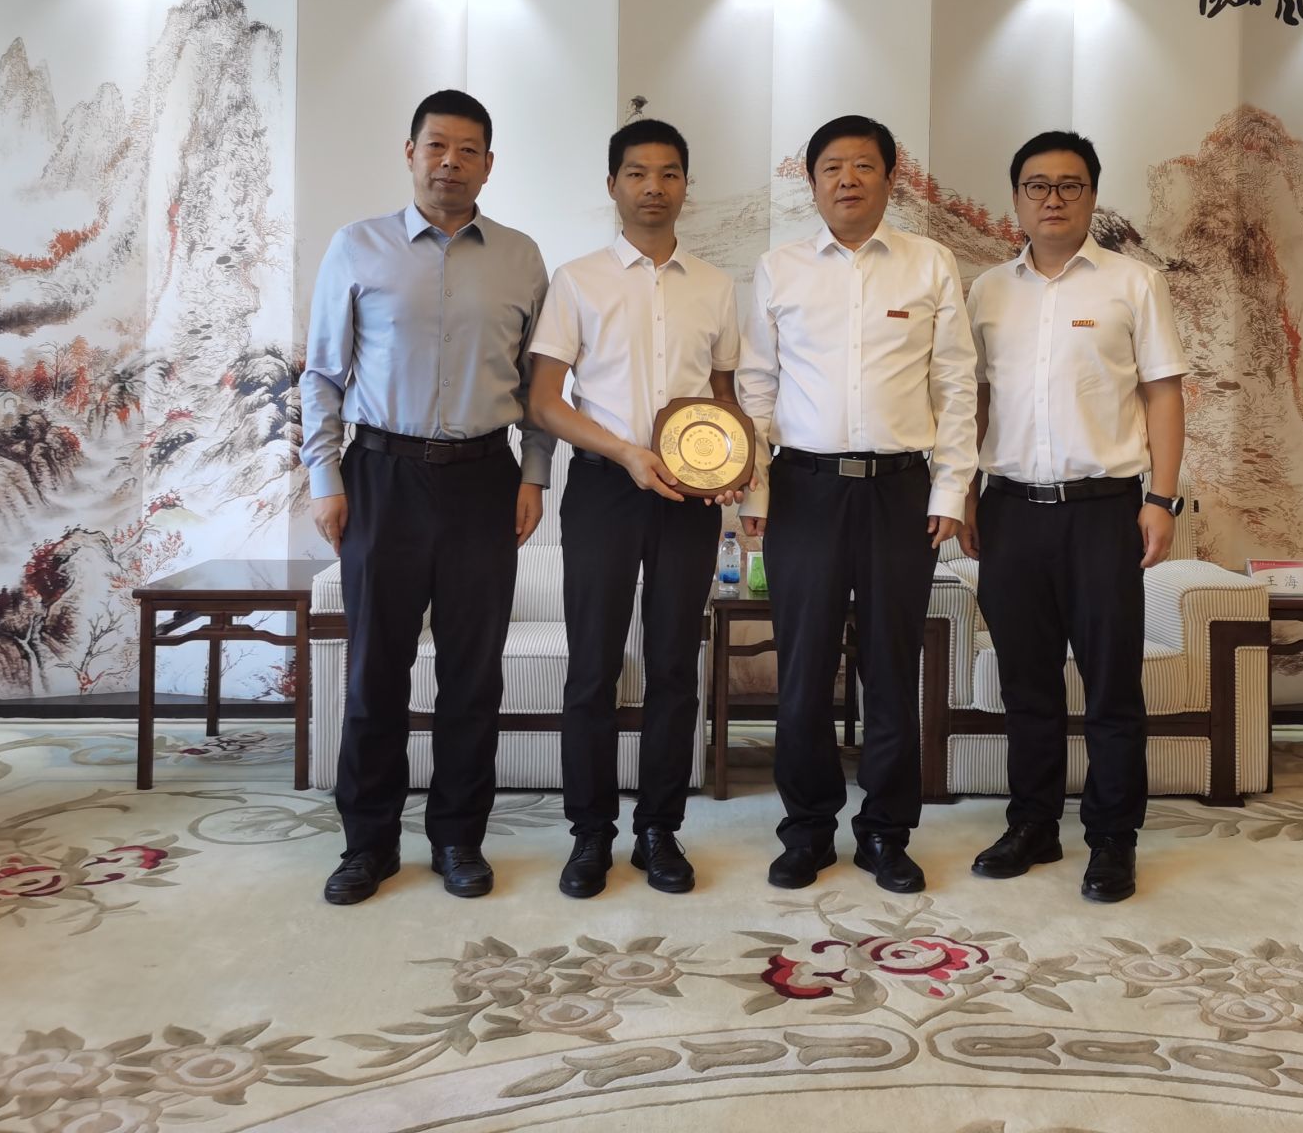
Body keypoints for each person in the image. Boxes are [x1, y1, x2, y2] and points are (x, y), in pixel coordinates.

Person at [301, 88, 554, 904]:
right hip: (382, 476)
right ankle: (367, 844)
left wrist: (534, 474)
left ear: (489, 163)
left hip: (485, 479)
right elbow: (322, 374)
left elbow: (539, 385)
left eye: (467, 149)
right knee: (376, 671)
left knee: (473, 676)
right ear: (410, 153)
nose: (451, 162)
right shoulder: (357, 246)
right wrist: (325, 479)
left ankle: (457, 839)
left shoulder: (521, 258)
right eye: (436, 146)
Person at [737, 115, 977, 894]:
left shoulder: (929, 264)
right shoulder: (778, 269)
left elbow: (955, 385)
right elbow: (757, 387)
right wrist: (756, 491)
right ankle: (807, 830)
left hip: (900, 491)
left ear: (889, 179)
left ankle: (885, 833)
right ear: (811, 183)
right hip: (803, 490)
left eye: (863, 165)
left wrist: (950, 488)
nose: (847, 179)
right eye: (832, 167)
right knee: (803, 671)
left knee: (890, 668)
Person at [960, 130, 1188, 903]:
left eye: (1069, 185)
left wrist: (1160, 499)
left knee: (1111, 686)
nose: (1052, 199)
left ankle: (1113, 839)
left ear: (1091, 195)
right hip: (1010, 511)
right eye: (1037, 185)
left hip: (1104, 513)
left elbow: (1163, 394)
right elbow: (976, 399)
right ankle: (1032, 825)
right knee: (1026, 684)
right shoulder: (989, 291)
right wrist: (965, 493)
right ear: (1016, 199)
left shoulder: (1134, 284)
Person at [528, 119, 746, 898]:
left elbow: (725, 400)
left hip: (687, 497)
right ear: (613, 185)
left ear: (686, 184)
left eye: (669, 173)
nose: (653, 187)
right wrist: (624, 452)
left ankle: (659, 830)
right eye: (637, 173)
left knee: (674, 665)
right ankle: (590, 833)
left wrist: (732, 468)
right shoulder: (577, 280)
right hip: (602, 487)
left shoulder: (716, 286)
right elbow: (545, 400)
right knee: (591, 665)